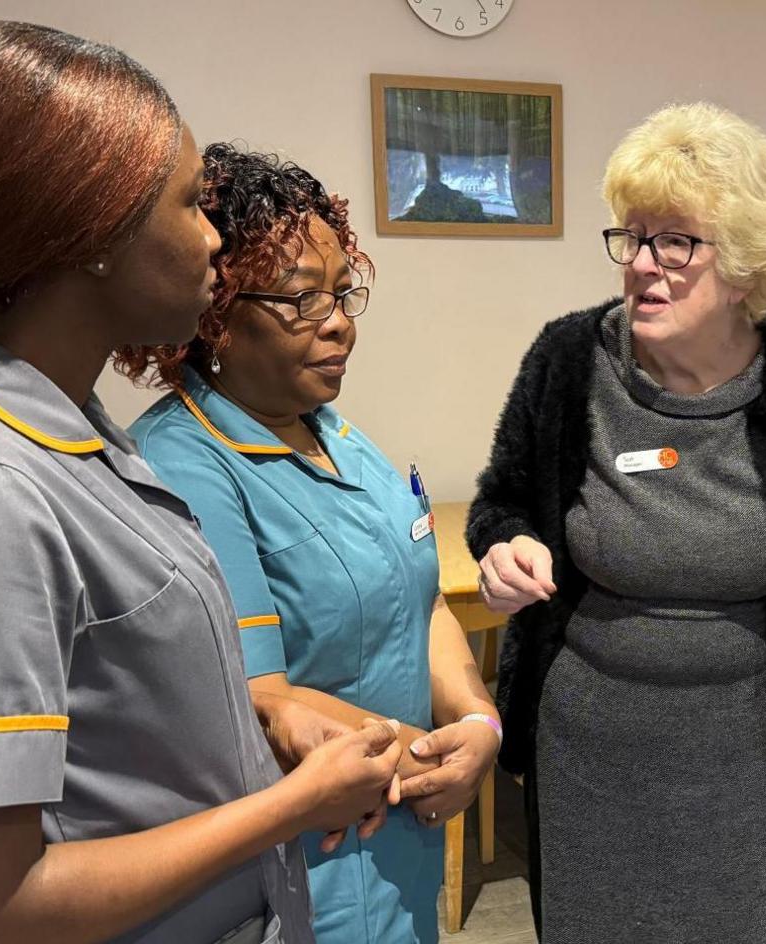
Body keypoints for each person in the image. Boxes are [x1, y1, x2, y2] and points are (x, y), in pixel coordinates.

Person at [0, 24, 400, 944]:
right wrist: (292, 806)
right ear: (95, 232)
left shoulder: (61, 434)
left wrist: (261, 731)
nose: (212, 244)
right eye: (193, 207)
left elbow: (110, 734)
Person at [466, 102, 766, 943]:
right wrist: (504, 545)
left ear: (742, 263)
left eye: (677, 242)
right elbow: (501, 501)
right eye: (631, 237)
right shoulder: (567, 361)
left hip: (744, 741)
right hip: (588, 737)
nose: (642, 265)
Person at [116, 144, 498, 944]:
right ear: (213, 310)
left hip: (399, 839)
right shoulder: (184, 465)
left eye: (341, 293)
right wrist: (433, 758)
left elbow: (414, 599)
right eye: (298, 300)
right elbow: (261, 699)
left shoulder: (337, 434)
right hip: (308, 875)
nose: (337, 324)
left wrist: (477, 720)